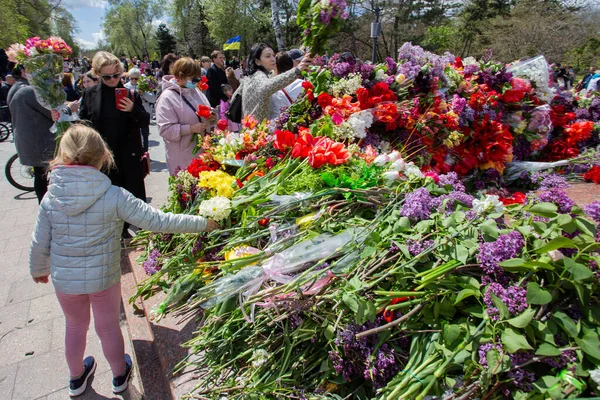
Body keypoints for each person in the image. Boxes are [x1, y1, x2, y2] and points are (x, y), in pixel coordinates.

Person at [29, 124, 219, 397]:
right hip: (103, 277)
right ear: (103, 156)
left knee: (74, 325)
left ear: (62, 154)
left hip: (65, 279)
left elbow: (39, 241)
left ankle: (76, 378)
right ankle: (119, 376)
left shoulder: (50, 197)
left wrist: (38, 270)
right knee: (107, 326)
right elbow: (158, 221)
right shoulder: (113, 195)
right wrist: (203, 223)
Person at [78, 51, 149, 238]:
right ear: (97, 74)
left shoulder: (131, 94)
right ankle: (119, 232)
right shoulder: (89, 94)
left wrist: (133, 110)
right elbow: (83, 123)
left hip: (128, 157)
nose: (112, 80)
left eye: (116, 75)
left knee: (134, 196)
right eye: (106, 76)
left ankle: (141, 228)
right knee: (108, 199)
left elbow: (144, 121)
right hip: (102, 158)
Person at [155, 57, 213, 175]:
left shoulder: (195, 91)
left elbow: (206, 107)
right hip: (182, 157)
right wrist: (191, 129)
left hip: (201, 152)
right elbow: (165, 129)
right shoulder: (167, 98)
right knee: (187, 190)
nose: (197, 82)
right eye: (193, 78)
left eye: (198, 78)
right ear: (180, 76)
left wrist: (212, 116)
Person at [240, 43, 312, 122]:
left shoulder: (249, 77)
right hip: (258, 130)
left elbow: (235, 97)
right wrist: (297, 70)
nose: (273, 59)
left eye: (273, 55)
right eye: (268, 56)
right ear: (257, 61)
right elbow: (268, 86)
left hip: (250, 128)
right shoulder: (259, 76)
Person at [125, 68, 155, 152]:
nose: (134, 80)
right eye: (132, 78)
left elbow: (153, 99)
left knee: (145, 135)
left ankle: (145, 154)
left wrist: (144, 93)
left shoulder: (145, 85)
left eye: (136, 78)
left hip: (144, 114)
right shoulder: (126, 87)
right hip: (132, 116)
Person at [269, 52, 304, 120]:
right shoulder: (302, 84)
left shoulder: (271, 88)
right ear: (292, 65)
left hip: (278, 125)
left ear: (275, 67)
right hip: (300, 123)